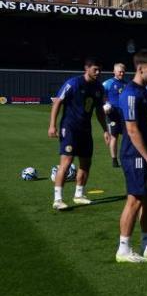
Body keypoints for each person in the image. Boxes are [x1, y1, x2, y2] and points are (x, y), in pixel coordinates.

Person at [115, 50, 147, 262]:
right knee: (135, 199)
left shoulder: (146, 93)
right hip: (135, 155)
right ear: (140, 68)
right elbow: (132, 130)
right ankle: (124, 249)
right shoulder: (130, 94)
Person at [48, 57, 110, 210]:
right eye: (95, 69)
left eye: (100, 70)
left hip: (85, 130)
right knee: (67, 162)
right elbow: (57, 102)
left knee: (85, 163)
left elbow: (100, 112)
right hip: (70, 128)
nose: (98, 72)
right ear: (86, 68)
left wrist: (105, 130)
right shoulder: (73, 83)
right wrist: (52, 126)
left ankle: (79, 195)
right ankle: (58, 199)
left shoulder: (98, 88)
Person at [102, 63, 127, 168]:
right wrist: (105, 105)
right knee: (114, 137)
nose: (121, 73)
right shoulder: (108, 83)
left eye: (123, 71)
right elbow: (101, 95)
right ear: (114, 71)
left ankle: (125, 157)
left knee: (128, 137)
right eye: (119, 71)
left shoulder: (127, 84)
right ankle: (114, 159)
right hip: (112, 115)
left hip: (125, 115)